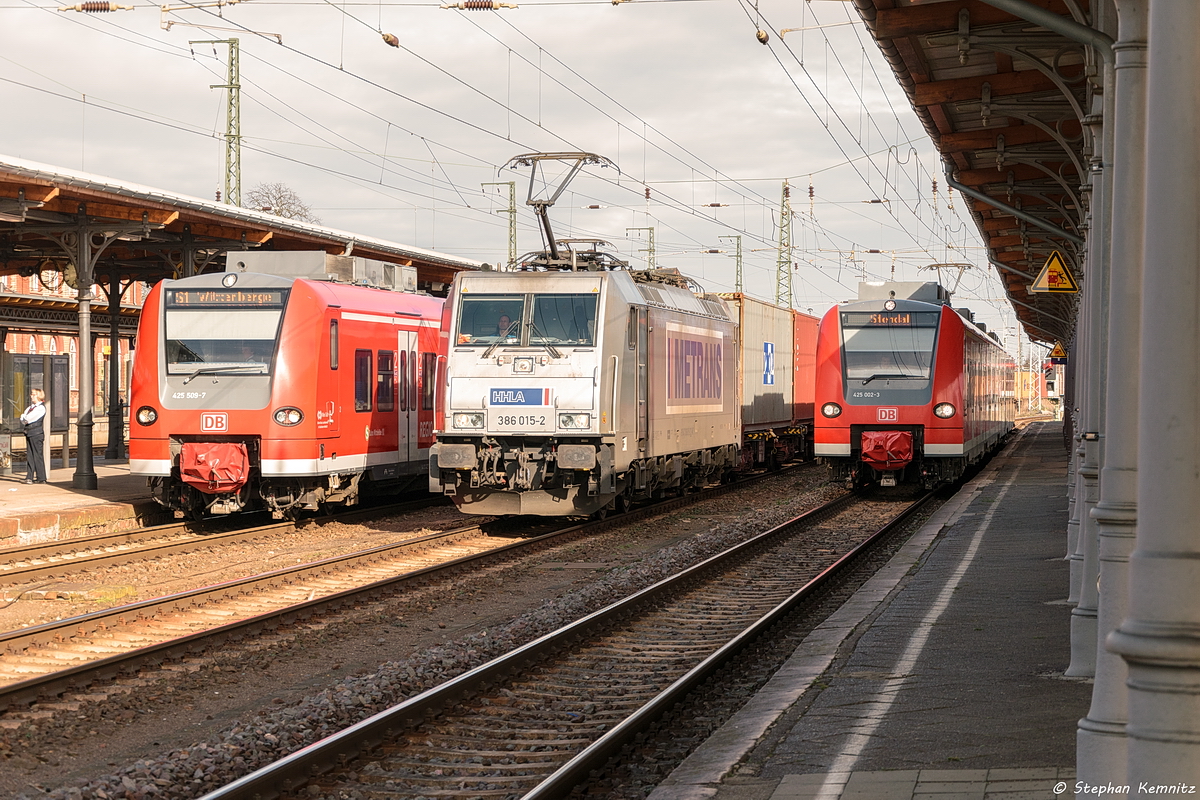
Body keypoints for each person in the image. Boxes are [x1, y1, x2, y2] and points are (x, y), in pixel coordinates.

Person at [20, 389, 47, 484]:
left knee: (37, 455)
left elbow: (27, 418)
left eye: (34, 394)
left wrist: (24, 417)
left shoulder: (40, 408)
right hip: (29, 433)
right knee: (30, 455)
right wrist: (24, 418)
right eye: (31, 394)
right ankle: (29, 477)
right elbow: (22, 419)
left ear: (39, 396)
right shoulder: (30, 407)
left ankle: (41, 477)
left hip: (37, 434)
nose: (31, 396)